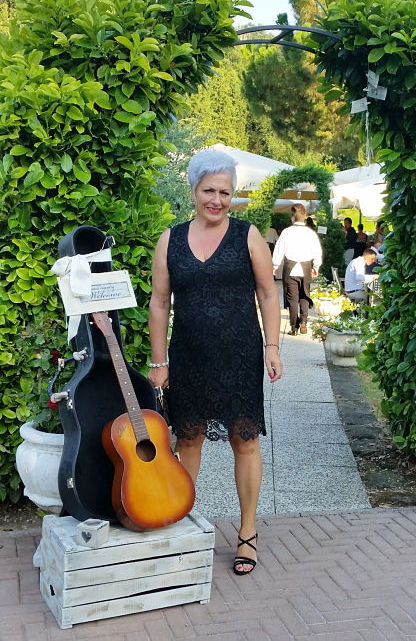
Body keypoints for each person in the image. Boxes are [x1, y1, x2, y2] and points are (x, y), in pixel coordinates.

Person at [148, 148, 282, 576]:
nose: (217, 200)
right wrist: (158, 361)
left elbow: (267, 293)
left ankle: (247, 533)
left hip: (240, 355)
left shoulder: (248, 235)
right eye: (209, 190)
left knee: (245, 440)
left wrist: (273, 347)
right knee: (187, 440)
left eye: (225, 192)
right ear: (193, 190)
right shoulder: (169, 239)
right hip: (188, 356)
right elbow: (159, 302)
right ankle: (181, 523)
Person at [272, 203, 322, 335]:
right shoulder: (311, 234)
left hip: (290, 268)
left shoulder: (286, 232)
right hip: (306, 268)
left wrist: (275, 266)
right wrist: (316, 267)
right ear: (304, 217)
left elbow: (279, 251)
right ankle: (304, 321)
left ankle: (294, 327)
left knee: (292, 298)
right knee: (305, 295)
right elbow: (317, 252)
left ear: (292, 217)